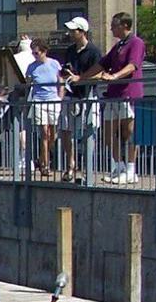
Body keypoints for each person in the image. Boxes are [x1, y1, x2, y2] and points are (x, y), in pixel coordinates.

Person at [96, 12, 145, 184]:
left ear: (125, 25)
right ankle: (119, 167)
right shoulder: (118, 46)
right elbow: (101, 64)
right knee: (108, 133)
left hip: (128, 93)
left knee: (128, 132)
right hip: (113, 95)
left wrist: (115, 76)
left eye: (114, 25)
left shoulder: (136, 42)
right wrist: (81, 77)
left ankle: (131, 170)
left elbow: (132, 65)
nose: (111, 29)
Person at [59, 16, 102, 183]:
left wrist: (81, 78)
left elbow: (99, 73)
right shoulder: (70, 50)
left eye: (73, 30)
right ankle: (71, 165)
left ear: (82, 31)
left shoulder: (94, 51)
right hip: (71, 95)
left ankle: (87, 169)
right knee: (65, 130)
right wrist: (66, 75)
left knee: (88, 131)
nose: (70, 33)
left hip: (87, 95)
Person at [25, 40, 63, 179]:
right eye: (33, 53)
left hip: (53, 100)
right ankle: (45, 165)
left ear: (44, 51)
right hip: (39, 101)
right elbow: (28, 85)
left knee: (53, 134)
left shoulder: (54, 63)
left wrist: (60, 97)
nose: (34, 55)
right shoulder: (31, 67)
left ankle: (42, 158)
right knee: (44, 133)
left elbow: (60, 81)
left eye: (36, 53)